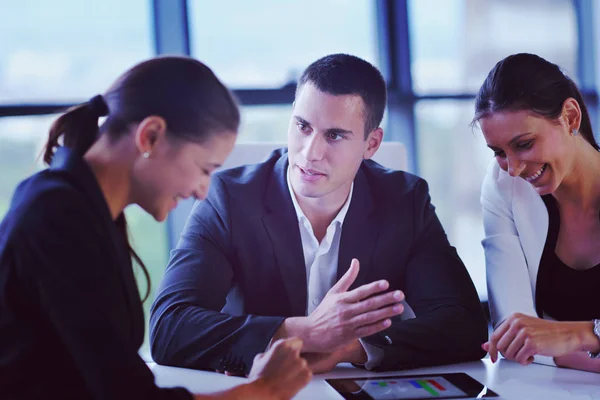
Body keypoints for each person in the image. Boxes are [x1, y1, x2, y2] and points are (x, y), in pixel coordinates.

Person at [150, 53, 487, 375]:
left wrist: (349, 348)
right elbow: (168, 328)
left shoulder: (405, 201)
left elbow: (464, 325)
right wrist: (306, 332)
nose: (311, 153)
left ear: (371, 144)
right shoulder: (227, 199)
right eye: (303, 126)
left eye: (335, 135)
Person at [0, 56, 312, 400]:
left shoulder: (89, 210)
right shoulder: (57, 214)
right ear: (150, 136)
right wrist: (262, 391)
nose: (202, 190)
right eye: (204, 168)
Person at [474, 53, 600, 373]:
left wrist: (578, 335)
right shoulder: (503, 184)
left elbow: (537, 340)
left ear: (570, 117)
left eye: (525, 144)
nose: (513, 168)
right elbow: (516, 339)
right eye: (499, 152)